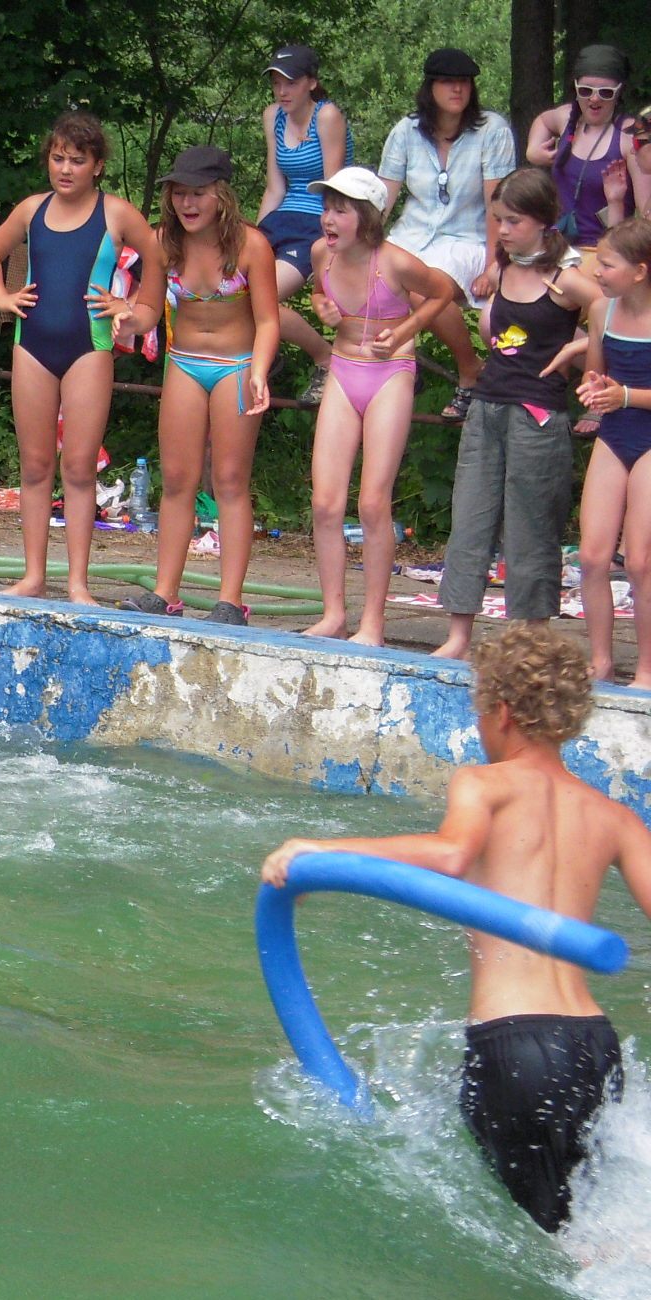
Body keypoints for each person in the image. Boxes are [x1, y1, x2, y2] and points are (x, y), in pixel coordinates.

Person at [263, 624, 651, 1235]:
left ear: (502, 712)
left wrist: (320, 851)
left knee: (555, 1247)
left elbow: (449, 855)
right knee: (590, 1231)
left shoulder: (484, 783)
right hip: (594, 1047)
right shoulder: (616, 817)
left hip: (514, 1043)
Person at [0, 109, 164, 606]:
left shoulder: (116, 213)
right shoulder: (31, 209)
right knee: (35, 466)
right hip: (32, 346)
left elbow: (158, 258)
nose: (65, 169)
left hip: (89, 349)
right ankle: (34, 576)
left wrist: (136, 308)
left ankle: (78, 584)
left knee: (79, 468)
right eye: (58, 158)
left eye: (77, 160)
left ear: (97, 166)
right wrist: (1, 297)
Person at [432, 169, 603, 661]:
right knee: (470, 519)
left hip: (538, 416)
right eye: (499, 220)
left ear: (543, 221)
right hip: (487, 407)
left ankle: (529, 639)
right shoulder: (504, 267)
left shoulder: (565, 278)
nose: (503, 230)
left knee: (531, 527)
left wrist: (582, 356)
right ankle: (458, 635)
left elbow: (608, 311)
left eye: (513, 221)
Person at [117, 146, 278, 625]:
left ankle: (231, 600)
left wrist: (259, 370)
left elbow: (269, 320)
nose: (187, 203)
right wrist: (128, 318)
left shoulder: (252, 246)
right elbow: (150, 309)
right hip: (185, 363)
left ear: (222, 196)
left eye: (198, 193)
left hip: (236, 364)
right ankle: (165, 591)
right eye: (179, 193)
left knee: (229, 481)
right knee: (177, 480)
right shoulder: (163, 242)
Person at [298, 168, 456, 646]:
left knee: (372, 502)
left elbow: (444, 293)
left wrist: (405, 331)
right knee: (325, 502)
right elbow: (320, 291)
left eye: (340, 210)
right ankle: (333, 614)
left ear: (367, 218)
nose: (328, 219)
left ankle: (374, 623)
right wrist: (322, 307)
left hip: (389, 373)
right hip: (344, 368)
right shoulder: (321, 253)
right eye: (326, 209)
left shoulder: (396, 261)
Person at [376, 48, 518, 420]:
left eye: (464, 82)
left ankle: (469, 370)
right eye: (448, 81)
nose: (458, 89)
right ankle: (399, 368)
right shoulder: (406, 131)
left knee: (423, 288)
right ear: (430, 87)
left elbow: (498, 204)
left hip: (467, 239)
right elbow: (382, 197)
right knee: (372, 274)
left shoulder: (492, 129)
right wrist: (360, 244)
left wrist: (494, 265)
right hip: (410, 235)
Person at [573, 216, 651, 687]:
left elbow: (623, 391)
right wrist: (595, 387)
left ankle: (646, 669)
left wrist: (623, 395)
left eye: (607, 264)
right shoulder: (601, 310)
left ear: (639, 271)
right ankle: (601, 661)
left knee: (640, 561)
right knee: (592, 556)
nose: (596, 272)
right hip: (616, 433)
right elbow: (595, 372)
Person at [256, 44, 349, 400]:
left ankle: (325, 357)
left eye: (291, 83)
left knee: (260, 298)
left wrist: (330, 245)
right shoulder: (272, 116)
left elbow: (333, 189)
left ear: (311, 83)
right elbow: (275, 187)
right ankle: (263, 353)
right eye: (276, 83)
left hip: (317, 219)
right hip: (281, 218)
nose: (282, 91)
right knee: (233, 288)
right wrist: (255, 238)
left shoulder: (327, 116)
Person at [526, 45, 649, 254]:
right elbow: (543, 121)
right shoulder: (567, 118)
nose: (594, 98)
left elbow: (646, 214)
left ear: (619, 92)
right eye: (585, 90)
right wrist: (533, 151)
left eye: (605, 93)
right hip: (556, 245)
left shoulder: (630, 136)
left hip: (603, 251)